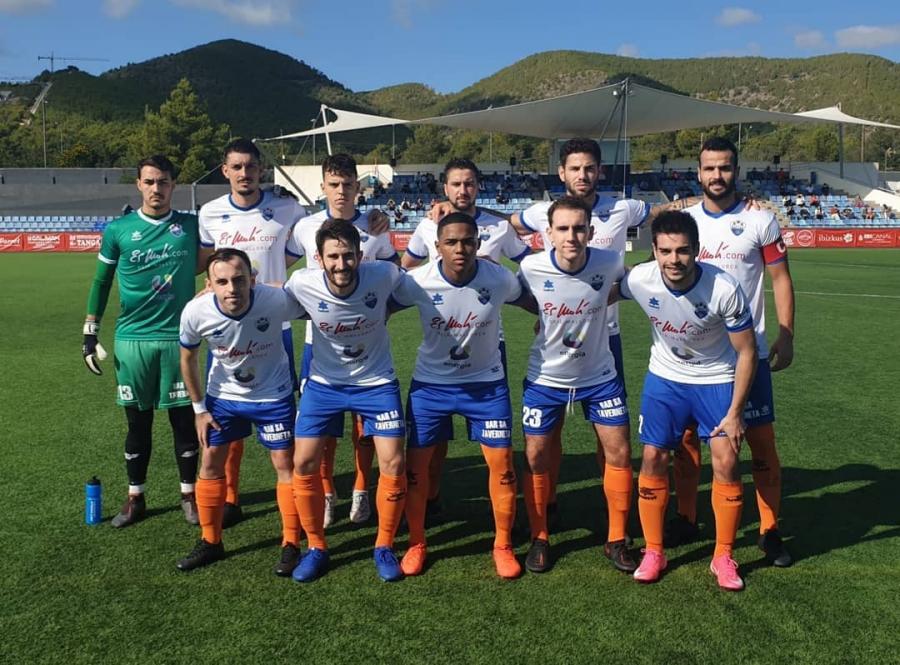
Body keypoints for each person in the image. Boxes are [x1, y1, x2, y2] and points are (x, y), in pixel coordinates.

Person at [616, 210, 758, 590]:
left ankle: (723, 556)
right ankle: (654, 550)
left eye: (682, 251)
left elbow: (746, 352)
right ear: (655, 251)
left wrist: (735, 413)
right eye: (665, 251)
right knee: (652, 457)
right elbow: (597, 294)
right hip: (666, 378)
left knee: (726, 458)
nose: (673, 260)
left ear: (697, 250)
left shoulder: (723, 288)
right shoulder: (639, 280)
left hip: (715, 378)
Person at [671, 137, 795, 568]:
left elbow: (779, 279)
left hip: (750, 352)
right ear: (698, 173)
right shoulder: (684, 220)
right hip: (696, 355)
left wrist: (787, 333)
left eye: (724, 168)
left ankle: (769, 529)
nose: (717, 176)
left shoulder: (760, 220)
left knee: (761, 442)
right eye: (709, 168)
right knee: (688, 441)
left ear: (735, 170)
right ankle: (686, 517)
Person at [391, 212, 532, 579]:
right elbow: (378, 308)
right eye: (451, 242)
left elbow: (532, 301)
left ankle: (502, 545)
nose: (460, 249)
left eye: (468, 241)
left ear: (478, 244)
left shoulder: (498, 278)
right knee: (417, 471)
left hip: (486, 387)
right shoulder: (416, 282)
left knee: (501, 466)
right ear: (436, 246)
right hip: (430, 388)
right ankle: (417, 543)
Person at [403, 158, 530, 520]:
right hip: (442, 340)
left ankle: (500, 511)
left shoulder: (500, 227)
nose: (463, 190)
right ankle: (432, 497)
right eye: (456, 184)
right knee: (434, 438)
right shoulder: (427, 227)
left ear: (479, 187)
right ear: (444, 188)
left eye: (470, 183)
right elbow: (404, 271)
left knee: (494, 439)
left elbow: (530, 267)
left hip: (490, 342)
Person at [283, 220, 407, 582]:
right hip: (324, 384)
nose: (341, 264)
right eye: (333, 257)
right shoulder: (302, 283)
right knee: (303, 461)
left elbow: (423, 284)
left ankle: (383, 545)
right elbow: (268, 295)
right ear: (319, 259)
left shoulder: (384, 274)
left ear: (360, 255)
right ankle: (316, 546)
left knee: (394, 462)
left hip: (377, 383)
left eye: (348, 256)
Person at [515, 196, 634, 574]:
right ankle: (540, 537)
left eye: (579, 228)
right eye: (563, 229)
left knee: (619, 452)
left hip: (600, 376)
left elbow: (627, 288)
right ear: (548, 233)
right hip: (545, 378)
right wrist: (545, 316)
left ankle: (616, 539)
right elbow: (521, 298)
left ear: (591, 232)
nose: (571, 236)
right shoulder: (531, 267)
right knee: (536, 456)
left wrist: (599, 302)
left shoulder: (610, 262)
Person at [82, 155, 200, 528]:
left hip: (178, 339)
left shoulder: (191, 225)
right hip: (132, 341)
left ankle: (189, 495)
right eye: (149, 182)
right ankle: (136, 497)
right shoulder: (119, 230)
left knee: (183, 423)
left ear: (173, 185)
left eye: (163, 182)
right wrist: (89, 332)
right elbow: (101, 282)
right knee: (138, 425)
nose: (156, 189)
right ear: (138, 184)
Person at [196, 137, 306, 529]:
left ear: (262, 170)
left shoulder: (287, 208)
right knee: (228, 416)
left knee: (278, 422)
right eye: (236, 167)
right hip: (225, 331)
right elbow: (207, 264)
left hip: (273, 328)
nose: (245, 173)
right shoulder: (209, 213)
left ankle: (294, 525)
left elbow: (296, 251)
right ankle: (230, 496)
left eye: (251, 166)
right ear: (225, 171)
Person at [176, 248, 304, 574]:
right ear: (209, 284)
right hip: (224, 397)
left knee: (284, 463)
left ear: (253, 280)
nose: (232, 288)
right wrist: (199, 409)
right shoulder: (195, 311)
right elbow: (187, 359)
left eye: (239, 280)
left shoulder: (276, 301)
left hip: (272, 395)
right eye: (222, 281)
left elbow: (320, 303)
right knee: (210, 460)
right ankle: (211, 541)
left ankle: (291, 543)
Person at [291, 153, 398, 528]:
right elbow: (282, 270)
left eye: (347, 184)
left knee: (363, 428)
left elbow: (395, 275)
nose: (340, 191)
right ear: (323, 187)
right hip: (316, 343)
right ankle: (326, 493)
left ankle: (360, 489)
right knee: (322, 428)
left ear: (357, 187)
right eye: (333, 185)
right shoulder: (305, 227)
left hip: (367, 346)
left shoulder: (374, 226)